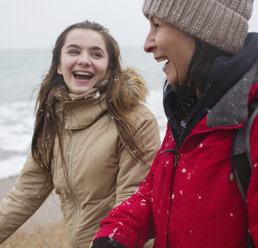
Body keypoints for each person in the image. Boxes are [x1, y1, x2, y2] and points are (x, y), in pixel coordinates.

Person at [91, 1, 258, 247]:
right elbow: (154, 193)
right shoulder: (188, 113)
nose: (147, 44)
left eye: (157, 25)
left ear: (203, 32)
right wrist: (114, 236)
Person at [0, 20, 160, 248]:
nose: (84, 60)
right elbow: (22, 196)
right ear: (58, 65)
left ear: (111, 68)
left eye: (96, 54)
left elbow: (132, 207)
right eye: (74, 51)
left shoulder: (135, 120)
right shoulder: (54, 120)